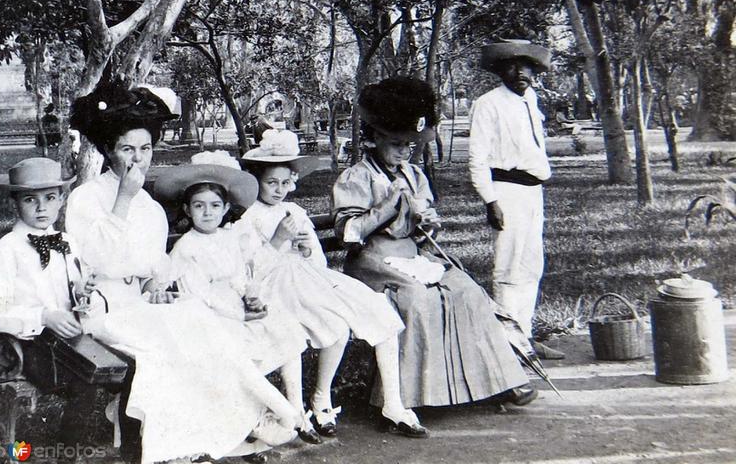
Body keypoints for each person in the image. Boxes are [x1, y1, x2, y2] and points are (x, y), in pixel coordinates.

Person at [66, 80, 301, 463]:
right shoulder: (86, 198)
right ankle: (179, 444)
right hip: (104, 308)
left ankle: (245, 421)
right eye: (127, 149)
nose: (137, 160)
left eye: (145, 149)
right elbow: (97, 259)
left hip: (144, 304)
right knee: (175, 342)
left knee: (200, 325)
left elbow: (156, 262)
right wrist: (122, 200)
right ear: (109, 151)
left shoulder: (151, 207)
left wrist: (159, 285)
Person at [332, 76, 537, 409]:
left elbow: (428, 226)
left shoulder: (414, 175)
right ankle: (408, 397)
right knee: (417, 299)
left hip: (413, 256)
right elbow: (348, 235)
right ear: (374, 139)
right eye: (397, 142)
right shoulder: (356, 177)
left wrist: (428, 223)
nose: (405, 149)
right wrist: (385, 208)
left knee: (467, 291)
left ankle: (498, 382)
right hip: (372, 261)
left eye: (410, 143)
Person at [240, 129, 429, 438]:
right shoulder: (249, 216)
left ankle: (393, 404)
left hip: (306, 279)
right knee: (335, 326)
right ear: (256, 180)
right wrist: (277, 242)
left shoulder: (294, 211)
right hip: (274, 286)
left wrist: (303, 248)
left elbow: (318, 262)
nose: (278, 190)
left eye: (285, 183)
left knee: (376, 310)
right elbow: (248, 271)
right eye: (271, 183)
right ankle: (319, 401)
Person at [154, 151, 319, 447]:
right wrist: (240, 315)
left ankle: (297, 409)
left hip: (237, 308)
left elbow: (242, 277)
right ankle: (250, 420)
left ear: (226, 207)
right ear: (187, 210)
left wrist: (251, 297)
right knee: (237, 353)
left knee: (286, 331)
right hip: (211, 319)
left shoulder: (227, 238)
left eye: (215, 206)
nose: (208, 213)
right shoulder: (186, 249)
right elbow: (199, 298)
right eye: (199, 206)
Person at [468, 39, 564, 360]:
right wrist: (490, 200)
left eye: (527, 66)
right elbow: (477, 159)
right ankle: (510, 346)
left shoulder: (530, 99)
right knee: (508, 267)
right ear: (500, 70)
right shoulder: (488, 104)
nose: (520, 72)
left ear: (535, 71)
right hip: (506, 191)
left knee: (531, 264)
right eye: (512, 66)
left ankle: (526, 335)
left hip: (532, 192)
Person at [0, 157, 83, 339]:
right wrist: (42, 317)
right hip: (31, 339)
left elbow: (76, 291)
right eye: (30, 200)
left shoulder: (67, 242)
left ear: (61, 200)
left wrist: (83, 294)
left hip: (73, 332)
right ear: (14, 205)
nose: (41, 207)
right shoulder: (9, 247)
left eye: (50, 198)